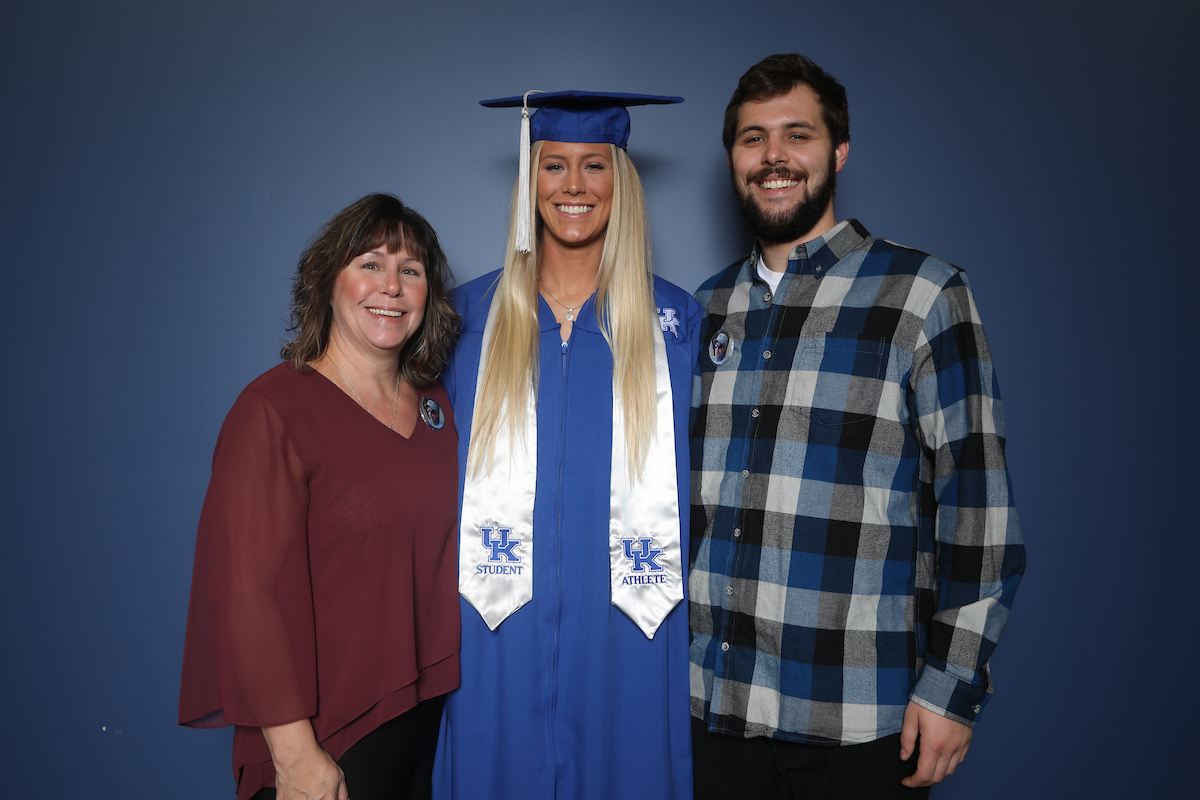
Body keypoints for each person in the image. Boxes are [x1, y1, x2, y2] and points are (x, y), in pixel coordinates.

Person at [689, 54, 1026, 798]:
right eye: (752, 139)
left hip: (856, 722)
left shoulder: (923, 293)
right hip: (712, 716)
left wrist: (952, 688)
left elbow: (979, 507)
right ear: (732, 159)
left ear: (838, 152)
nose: (773, 156)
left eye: (796, 134)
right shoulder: (700, 311)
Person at [432, 91, 700, 800]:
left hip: (629, 632)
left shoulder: (678, 326)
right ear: (531, 182)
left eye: (594, 167)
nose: (574, 187)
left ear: (621, 185)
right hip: (494, 629)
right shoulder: (464, 321)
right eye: (554, 166)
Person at [179, 193, 462, 800]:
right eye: (370, 264)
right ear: (328, 281)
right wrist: (295, 754)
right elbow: (244, 594)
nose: (390, 286)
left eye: (409, 271)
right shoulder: (275, 409)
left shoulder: (437, 406)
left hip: (420, 714)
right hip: (323, 731)